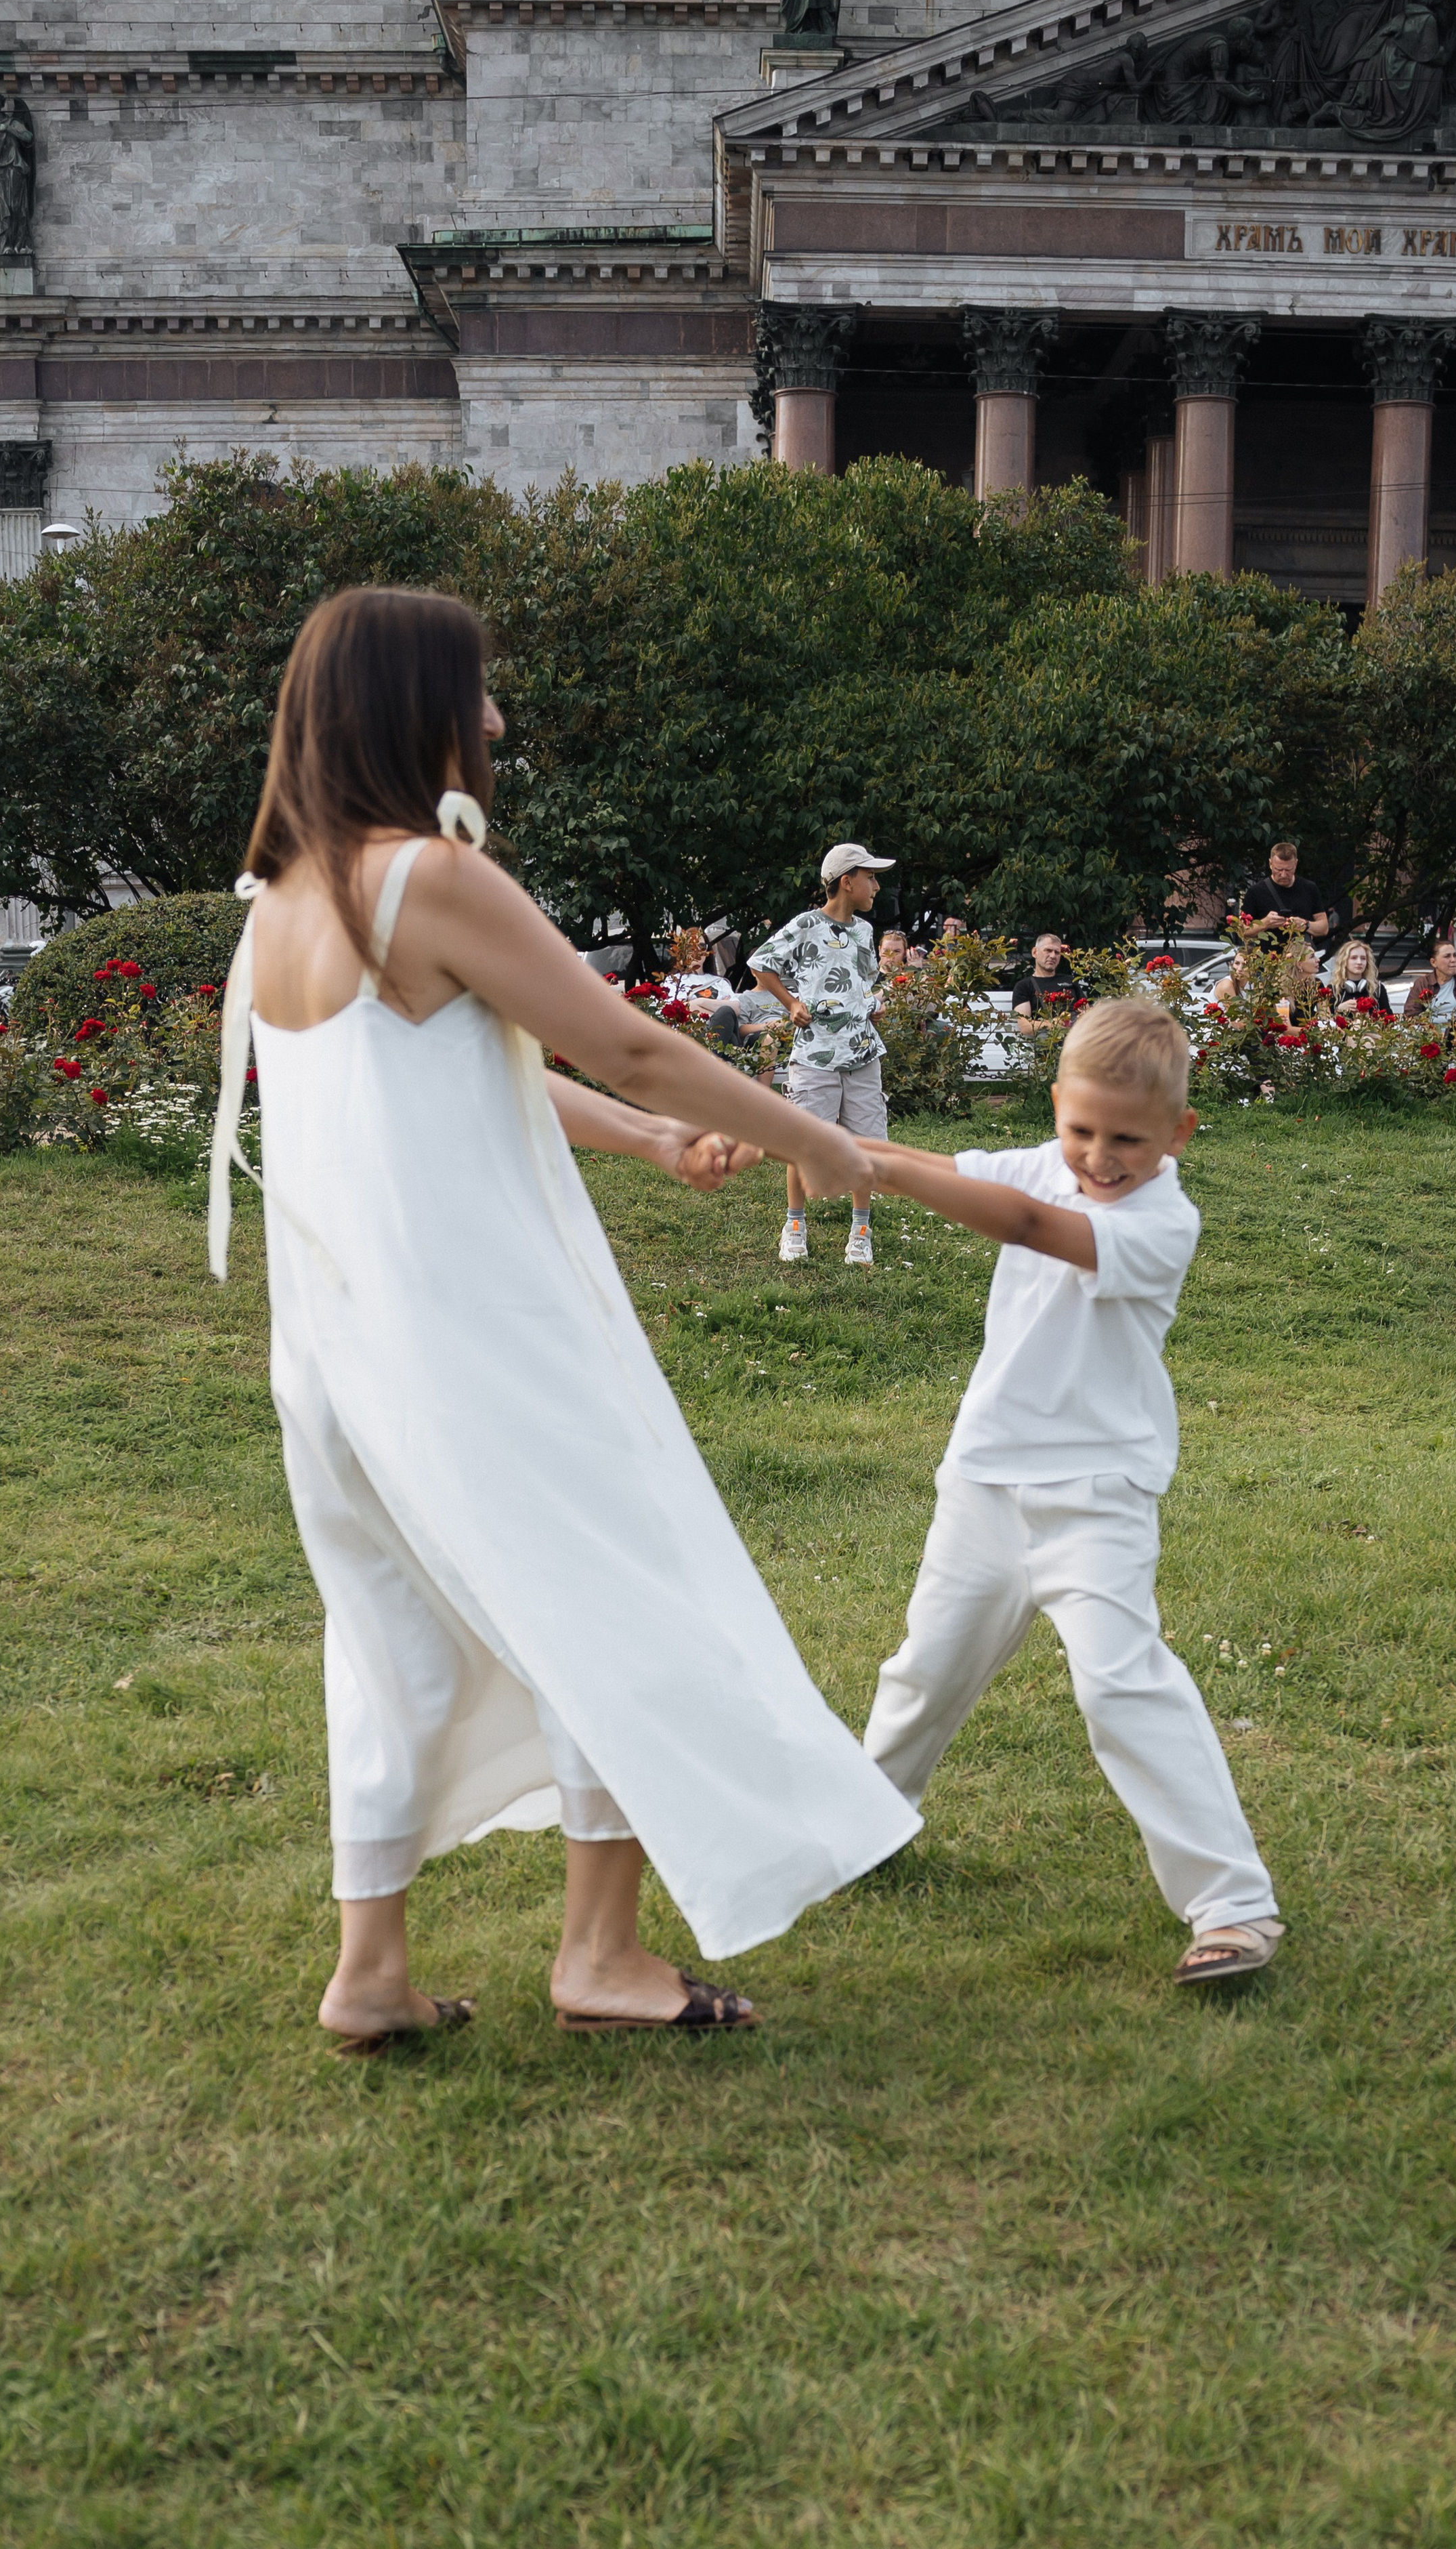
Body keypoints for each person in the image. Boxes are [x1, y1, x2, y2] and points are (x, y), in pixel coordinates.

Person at [208, 589, 919, 2050]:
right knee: (624, 1589)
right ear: (414, 706)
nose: (496, 721)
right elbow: (624, 1040)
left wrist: (650, 1149)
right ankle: (598, 1952)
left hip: (344, 1357)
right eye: (477, 694)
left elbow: (492, 1068)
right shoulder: (429, 878)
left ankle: (370, 1975)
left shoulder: (286, 904)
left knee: (390, 1639)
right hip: (482, 1341)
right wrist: (815, 1141)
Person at [858, 998, 1283, 1987]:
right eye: (1080, 1128)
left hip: (1097, 1495)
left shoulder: (1163, 1220)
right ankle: (863, 1826)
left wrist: (867, 1164)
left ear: (1179, 1132)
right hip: (984, 1482)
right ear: (1057, 1107)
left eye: (1127, 1138)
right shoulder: (1045, 1156)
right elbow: (951, 1172)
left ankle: (1234, 1908)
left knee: (1119, 1685)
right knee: (926, 1670)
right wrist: (814, 1142)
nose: (1097, 1156)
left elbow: (1024, 1223)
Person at [748, 843, 893, 1268]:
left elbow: (864, 980)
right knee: (804, 1143)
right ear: (847, 882)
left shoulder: (866, 933)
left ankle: (861, 1230)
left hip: (863, 1053)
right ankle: (794, 1225)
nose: (876, 886)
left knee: (865, 1144)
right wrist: (791, 1003)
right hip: (814, 1056)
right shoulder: (806, 925)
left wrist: (872, 1002)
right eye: (870, 877)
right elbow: (762, 963)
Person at [1235, 841, 1329, 948]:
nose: (1284, 875)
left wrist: (1305, 924)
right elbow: (1243, 930)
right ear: (1271, 864)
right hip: (1267, 960)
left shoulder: (1309, 888)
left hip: (1300, 960)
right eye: (1279, 869)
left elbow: (1324, 928)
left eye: (1289, 870)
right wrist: (1266, 923)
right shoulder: (1256, 892)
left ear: (1296, 864)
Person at [1403, 934, 1456, 1035]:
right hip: (1427, 1040)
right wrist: (1431, 1032)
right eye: (1447, 956)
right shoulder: (1423, 983)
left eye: (1455, 955)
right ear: (1434, 962)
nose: (1453, 960)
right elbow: (1411, 1014)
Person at [1009, 931, 1083, 1028]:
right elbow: (1025, 1026)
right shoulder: (1024, 986)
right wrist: (1054, 1025)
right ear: (1035, 952)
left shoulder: (1070, 980)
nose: (1053, 956)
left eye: (1057, 952)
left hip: (1079, 1036)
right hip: (1050, 1040)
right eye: (1048, 951)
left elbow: (1086, 1010)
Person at [1326, 939, 1393, 1017]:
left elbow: (1389, 1019)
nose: (1359, 962)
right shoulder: (1333, 989)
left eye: (1363, 958)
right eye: (1354, 958)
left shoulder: (1377, 988)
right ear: (1344, 961)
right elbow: (1326, 1022)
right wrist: (1339, 1010)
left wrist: (1371, 1017)